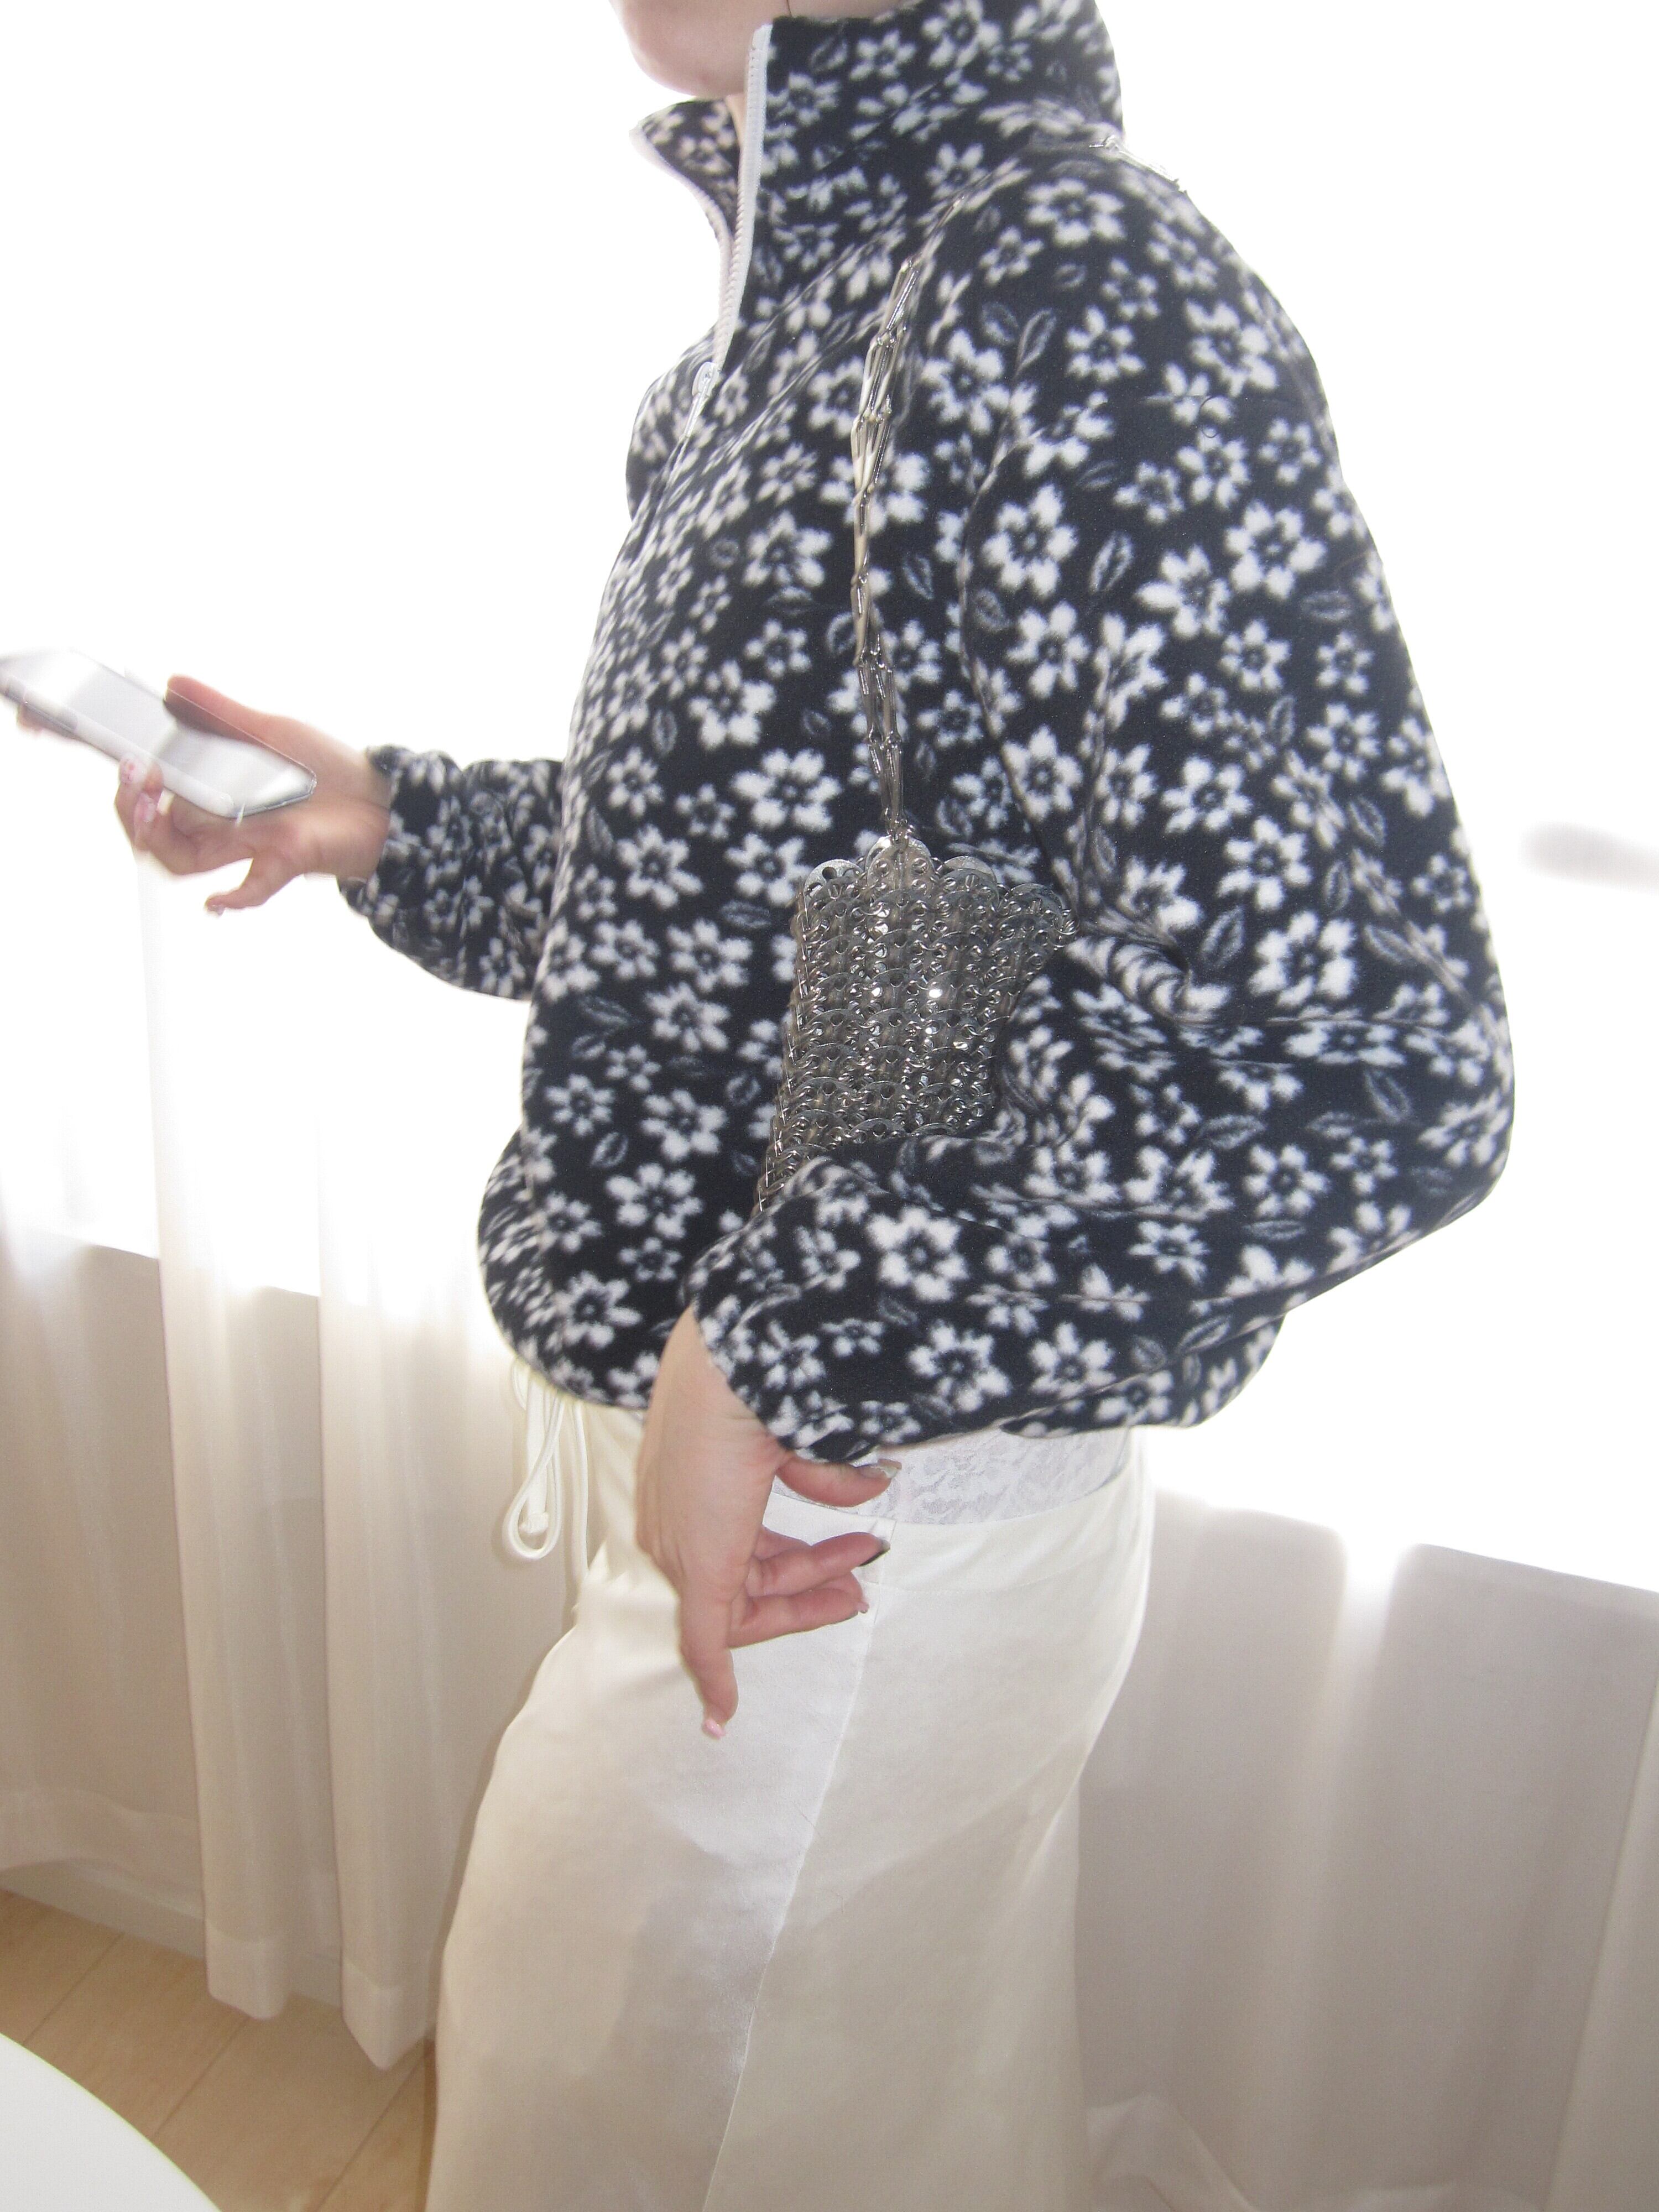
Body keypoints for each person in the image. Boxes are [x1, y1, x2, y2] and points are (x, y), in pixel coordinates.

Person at [90, 0, 1514, 2201]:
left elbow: (1354, 1062)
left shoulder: (1074, 290)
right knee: (855, 2134)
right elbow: (747, 898)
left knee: (622, 2127)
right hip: (807, 1475)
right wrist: (387, 818)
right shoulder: (787, 337)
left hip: (868, 1514)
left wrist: (786, 1332)